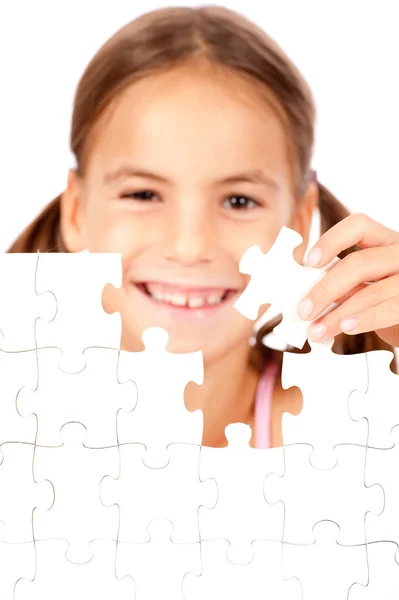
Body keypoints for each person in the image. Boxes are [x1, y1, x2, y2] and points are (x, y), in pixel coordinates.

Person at [8, 5, 399, 449]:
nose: (190, 246)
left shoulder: (355, 429)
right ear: (76, 212)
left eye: (239, 201)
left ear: (298, 221)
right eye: (143, 195)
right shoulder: (17, 420)